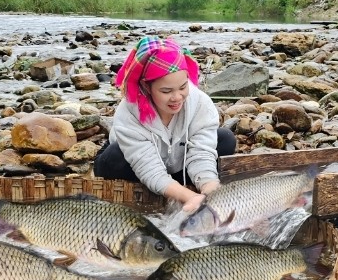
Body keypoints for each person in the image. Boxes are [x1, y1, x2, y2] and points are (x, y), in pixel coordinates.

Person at [94, 35, 236, 213]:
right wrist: (190, 197)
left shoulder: (200, 102)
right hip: (130, 162)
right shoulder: (129, 112)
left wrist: (210, 191)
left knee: (225, 139)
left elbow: (202, 153)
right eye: (166, 91)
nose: (177, 97)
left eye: (183, 87)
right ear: (146, 87)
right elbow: (147, 167)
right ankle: (172, 186)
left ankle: (178, 181)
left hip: (176, 158)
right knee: (114, 156)